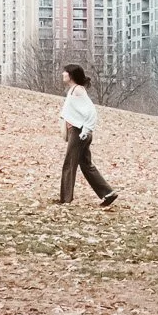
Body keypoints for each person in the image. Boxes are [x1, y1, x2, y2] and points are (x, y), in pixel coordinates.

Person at [56, 62, 118, 208]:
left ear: (71, 75)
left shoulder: (78, 91)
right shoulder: (73, 90)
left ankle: (65, 199)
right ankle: (108, 193)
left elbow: (91, 112)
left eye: (65, 72)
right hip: (77, 131)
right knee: (86, 165)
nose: (63, 74)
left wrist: (86, 130)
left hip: (79, 133)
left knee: (69, 164)